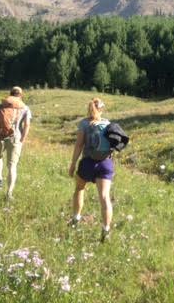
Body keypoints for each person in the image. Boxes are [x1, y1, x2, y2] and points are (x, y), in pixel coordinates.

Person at [69, 97, 115, 242]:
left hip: (88, 163)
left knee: (80, 189)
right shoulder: (108, 124)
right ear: (102, 109)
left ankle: (76, 218)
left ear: (89, 109)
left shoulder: (84, 123)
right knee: (104, 197)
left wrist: (73, 163)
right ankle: (106, 230)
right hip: (105, 163)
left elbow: (79, 145)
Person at [0, 86, 31, 200]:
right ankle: (9, 193)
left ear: (10, 94)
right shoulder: (25, 108)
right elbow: (27, 125)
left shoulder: (1, 105)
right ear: (21, 95)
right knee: (12, 166)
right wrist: (22, 139)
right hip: (15, 138)